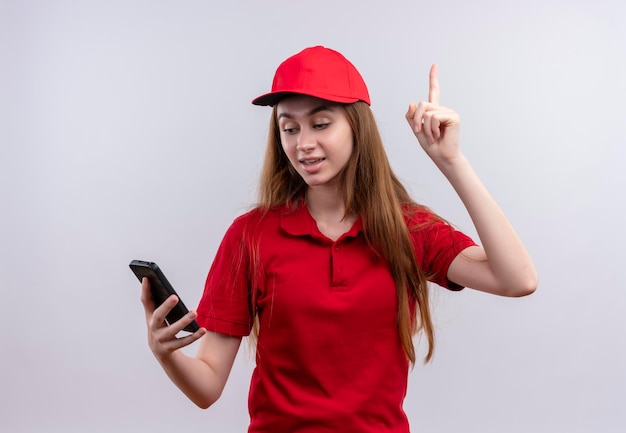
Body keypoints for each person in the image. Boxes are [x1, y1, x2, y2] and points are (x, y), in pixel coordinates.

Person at [140, 45, 537, 432]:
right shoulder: (250, 236)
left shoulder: (407, 229)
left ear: (356, 127)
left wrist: (452, 161)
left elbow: (517, 279)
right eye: (289, 128)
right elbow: (207, 385)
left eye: (321, 123)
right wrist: (165, 353)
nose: (303, 143)